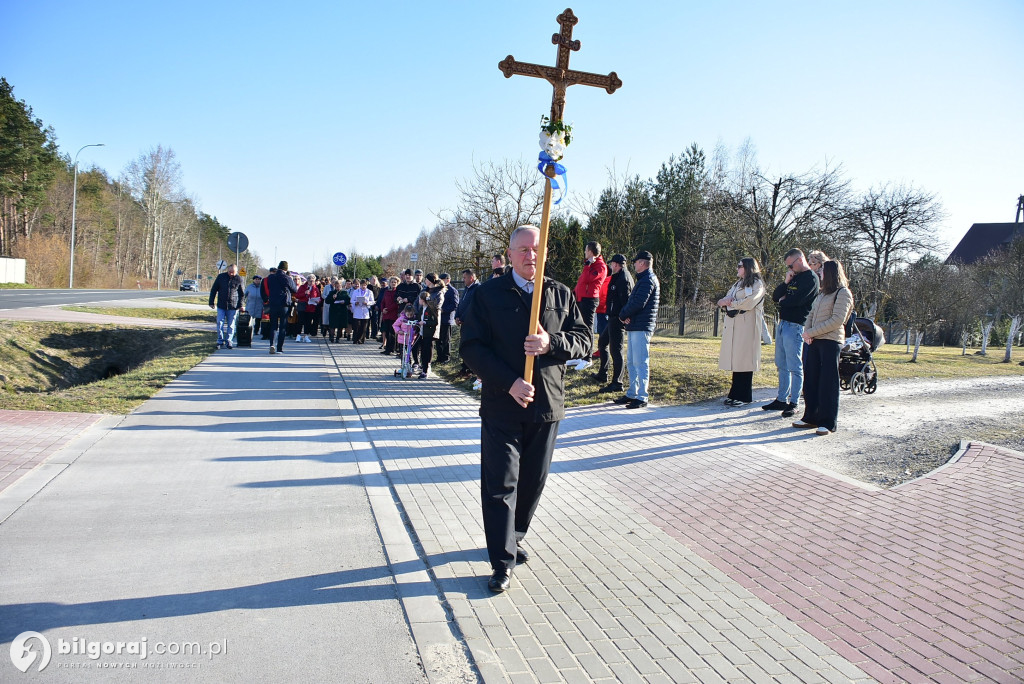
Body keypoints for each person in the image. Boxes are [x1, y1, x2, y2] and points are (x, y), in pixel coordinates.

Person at [460, 225, 592, 593]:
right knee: (501, 484)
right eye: (523, 250)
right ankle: (501, 562)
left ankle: (514, 536)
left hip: (546, 405)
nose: (530, 256)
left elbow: (585, 341)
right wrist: (510, 382)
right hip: (503, 405)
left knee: (532, 482)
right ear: (510, 252)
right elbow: (471, 347)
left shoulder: (560, 293)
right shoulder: (488, 294)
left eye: (536, 249)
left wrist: (552, 343)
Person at [793, 260, 854, 436]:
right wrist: (808, 333)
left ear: (831, 273)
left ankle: (827, 422)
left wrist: (812, 332)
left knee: (828, 383)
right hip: (813, 341)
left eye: (822, 272)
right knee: (811, 380)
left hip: (830, 342)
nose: (819, 274)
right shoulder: (821, 294)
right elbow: (810, 315)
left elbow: (837, 320)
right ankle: (811, 417)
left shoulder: (843, 293)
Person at [764, 248, 820, 418]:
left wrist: (784, 301)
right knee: (781, 364)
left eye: (791, 265)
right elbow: (775, 297)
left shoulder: (811, 278)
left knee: (795, 366)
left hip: (796, 325)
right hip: (783, 323)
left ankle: (794, 402)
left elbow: (797, 301)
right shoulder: (793, 276)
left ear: (800, 260)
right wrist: (786, 281)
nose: (790, 268)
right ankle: (781, 398)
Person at [717, 257, 766, 406]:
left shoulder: (758, 284)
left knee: (745, 360)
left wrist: (731, 304)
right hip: (735, 326)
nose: (737, 268)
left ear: (748, 268)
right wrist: (723, 302)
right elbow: (726, 298)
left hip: (747, 327)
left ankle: (744, 396)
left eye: (740, 266)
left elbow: (749, 302)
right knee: (736, 360)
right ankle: (734, 393)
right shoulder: (737, 284)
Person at [616, 251, 660, 409]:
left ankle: (642, 396)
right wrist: (625, 316)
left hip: (642, 326)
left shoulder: (648, 280)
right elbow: (633, 301)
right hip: (636, 324)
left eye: (636, 262)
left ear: (643, 263)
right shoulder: (643, 280)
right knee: (632, 361)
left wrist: (622, 314)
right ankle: (632, 393)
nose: (634, 264)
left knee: (640, 361)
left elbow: (638, 303)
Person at [598, 254, 633, 393]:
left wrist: (623, 316)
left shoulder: (623, 279)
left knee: (616, 350)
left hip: (617, 318)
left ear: (617, 264)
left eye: (612, 264)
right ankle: (603, 373)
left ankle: (617, 382)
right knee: (602, 342)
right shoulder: (618, 276)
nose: (611, 266)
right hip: (612, 317)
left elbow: (626, 299)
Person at [573, 241, 607, 333]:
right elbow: (581, 282)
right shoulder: (591, 264)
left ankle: (588, 347)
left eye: (586, 250)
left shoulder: (600, 266)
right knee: (579, 326)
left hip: (589, 299)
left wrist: (587, 265)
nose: (584, 252)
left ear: (590, 252)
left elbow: (586, 279)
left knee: (587, 327)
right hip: (582, 298)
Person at [265, 260, 298, 354]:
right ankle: (279, 348)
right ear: (286, 269)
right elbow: (294, 289)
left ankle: (272, 344)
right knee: (283, 327)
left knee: (273, 325)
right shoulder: (287, 278)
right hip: (284, 304)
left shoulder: (271, 277)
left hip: (273, 303)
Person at [209, 264, 245, 349]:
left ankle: (229, 341)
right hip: (221, 305)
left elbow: (242, 294)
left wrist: (240, 305)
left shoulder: (239, 279)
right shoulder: (221, 277)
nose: (231, 274)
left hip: (233, 306)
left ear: (236, 271)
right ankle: (220, 341)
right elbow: (214, 290)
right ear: (227, 270)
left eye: (233, 272)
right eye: (230, 272)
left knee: (231, 325)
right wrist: (211, 302)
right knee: (219, 323)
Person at [455, 268, 480, 376]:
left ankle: (471, 369)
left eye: (465, 277)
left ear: (471, 277)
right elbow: (461, 303)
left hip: (472, 323)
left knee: (470, 346)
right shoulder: (467, 288)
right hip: (463, 323)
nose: (463, 279)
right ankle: (464, 367)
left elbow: (472, 306)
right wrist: (457, 316)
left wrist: (463, 318)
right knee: (464, 345)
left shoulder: (478, 289)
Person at [436, 272, 459, 364]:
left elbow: (455, 305)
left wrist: (443, 310)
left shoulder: (452, 291)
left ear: (448, 280)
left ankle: (445, 358)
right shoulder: (439, 289)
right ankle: (439, 357)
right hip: (438, 318)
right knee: (438, 339)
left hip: (447, 319)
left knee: (445, 340)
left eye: (442, 280)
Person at [295, 274, 320, 343]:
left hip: (311, 307)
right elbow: (297, 295)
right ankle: (298, 335)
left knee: (308, 322)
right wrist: (304, 293)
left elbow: (318, 297)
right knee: (300, 321)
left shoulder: (315, 288)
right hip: (303, 306)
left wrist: (317, 301)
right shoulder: (302, 287)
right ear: (307, 281)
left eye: (313, 281)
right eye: (310, 281)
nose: (311, 282)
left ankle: (306, 335)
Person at [325, 279, 351, 343]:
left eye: (339, 286)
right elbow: (327, 301)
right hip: (334, 311)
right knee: (332, 325)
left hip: (342, 311)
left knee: (340, 325)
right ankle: (332, 336)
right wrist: (332, 298)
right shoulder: (332, 292)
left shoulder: (345, 293)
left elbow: (348, 300)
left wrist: (344, 302)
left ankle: (338, 338)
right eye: (337, 287)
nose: (338, 288)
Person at [379, 276, 400, 354]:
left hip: (393, 314)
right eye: (392, 282)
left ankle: (392, 349)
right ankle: (387, 348)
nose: (393, 283)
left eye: (395, 282)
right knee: (387, 332)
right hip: (386, 315)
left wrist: (388, 309)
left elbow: (396, 303)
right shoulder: (386, 291)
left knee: (392, 333)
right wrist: (382, 309)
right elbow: (383, 301)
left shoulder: (397, 292)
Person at [350, 279, 374, 343]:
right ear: (360, 285)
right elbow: (352, 300)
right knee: (357, 326)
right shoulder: (356, 291)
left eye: (365, 285)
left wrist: (367, 303)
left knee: (363, 327)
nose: (363, 286)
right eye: (362, 285)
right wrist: (356, 302)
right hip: (357, 310)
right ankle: (355, 339)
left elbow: (372, 301)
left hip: (365, 311)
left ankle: (361, 339)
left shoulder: (369, 292)